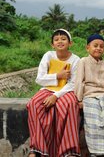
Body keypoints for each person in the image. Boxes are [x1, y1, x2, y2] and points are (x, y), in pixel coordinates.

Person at [27, 29, 80, 157]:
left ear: (70, 43)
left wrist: (56, 96)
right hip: (47, 88)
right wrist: (58, 76)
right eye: (56, 40)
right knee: (34, 103)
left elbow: (73, 83)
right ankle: (36, 149)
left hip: (66, 90)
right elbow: (39, 78)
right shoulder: (48, 55)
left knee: (68, 105)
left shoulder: (76, 60)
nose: (60, 41)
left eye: (63, 39)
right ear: (52, 44)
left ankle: (69, 151)